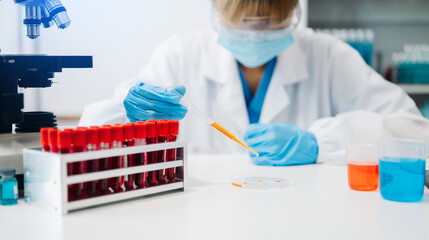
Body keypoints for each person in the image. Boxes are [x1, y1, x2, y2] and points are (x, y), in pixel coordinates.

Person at [79, 0, 429, 165]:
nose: (254, 35)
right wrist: (128, 111)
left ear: (293, 13)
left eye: (270, 25)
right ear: (217, 11)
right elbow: (90, 132)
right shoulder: (179, 55)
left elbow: (416, 133)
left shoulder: (329, 56)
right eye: (243, 23)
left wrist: (321, 144)